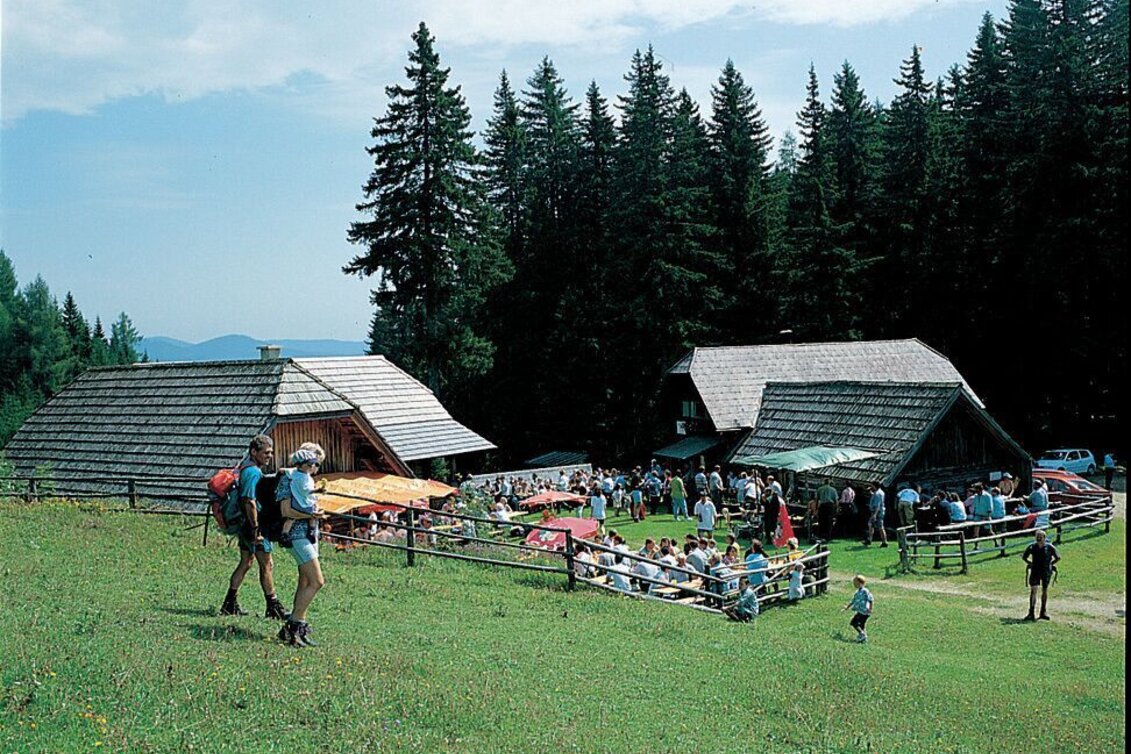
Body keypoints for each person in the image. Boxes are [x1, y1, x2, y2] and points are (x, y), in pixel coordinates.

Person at [220, 434, 288, 620]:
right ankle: (273, 606)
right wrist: (256, 528)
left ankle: (229, 603)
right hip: (254, 526)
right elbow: (249, 500)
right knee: (267, 564)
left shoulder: (248, 468)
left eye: (271, 452)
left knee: (246, 562)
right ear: (253, 452)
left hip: (244, 525)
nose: (270, 456)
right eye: (266, 452)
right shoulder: (252, 473)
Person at [278, 446, 329, 646]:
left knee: (306, 582)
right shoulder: (289, 479)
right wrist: (310, 515)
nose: (315, 467)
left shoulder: (306, 479)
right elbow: (286, 510)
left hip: (309, 533)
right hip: (296, 535)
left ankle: (299, 626)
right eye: (313, 463)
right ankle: (292, 626)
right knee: (317, 581)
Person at [1021, 530, 1060, 621]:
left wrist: (1050, 564)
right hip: (1035, 570)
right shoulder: (1032, 547)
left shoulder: (1049, 547)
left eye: (1040, 537)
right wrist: (1030, 563)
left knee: (1045, 590)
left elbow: (1058, 557)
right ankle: (1031, 612)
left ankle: (1043, 611)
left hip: (1045, 571)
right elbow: (1024, 557)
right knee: (1033, 590)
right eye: (1037, 537)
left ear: (1044, 538)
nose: (1038, 539)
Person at [844, 574, 874, 643]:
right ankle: (863, 638)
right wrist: (847, 607)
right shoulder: (857, 592)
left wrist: (870, 609)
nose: (854, 584)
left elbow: (871, 599)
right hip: (861, 611)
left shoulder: (865, 591)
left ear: (860, 583)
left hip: (864, 611)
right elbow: (853, 601)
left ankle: (862, 634)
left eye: (855, 583)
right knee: (862, 625)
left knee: (853, 623)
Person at [863, 483, 887, 547]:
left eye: (872, 486)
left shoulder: (877, 494)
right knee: (871, 525)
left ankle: (884, 542)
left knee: (880, 527)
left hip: (877, 512)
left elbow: (877, 505)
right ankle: (869, 540)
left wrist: (875, 515)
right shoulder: (880, 492)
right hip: (878, 512)